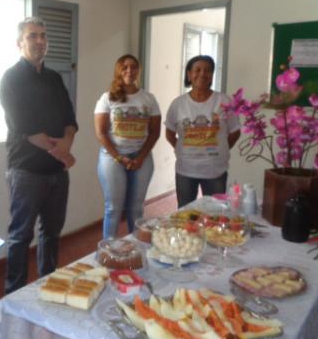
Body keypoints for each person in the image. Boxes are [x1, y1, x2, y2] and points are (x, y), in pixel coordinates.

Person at [0, 16, 78, 294]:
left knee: (51, 234)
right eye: (33, 36)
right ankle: (15, 297)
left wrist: (66, 143)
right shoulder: (11, 79)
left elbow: (70, 118)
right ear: (20, 42)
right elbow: (25, 128)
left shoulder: (55, 78)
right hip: (26, 171)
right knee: (20, 236)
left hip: (57, 172)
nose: (40, 41)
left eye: (43, 36)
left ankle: (49, 286)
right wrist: (63, 154)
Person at [94, 54, 161, 238]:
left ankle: (136, 249)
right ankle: (108, 251)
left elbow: (154, 132)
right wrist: (118, 157)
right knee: (113, 208)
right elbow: (101, 133)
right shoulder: (107, 98)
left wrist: (140, 157)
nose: (129, 70)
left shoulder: (148, 98)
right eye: (124, 67)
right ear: (118, 71)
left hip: (142, 156)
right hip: (112, 157)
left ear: (138, 70)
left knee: (136, 208)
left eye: (133, 67)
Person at [165, 55, 241, 207]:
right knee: (185, 214)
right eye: (197, 70)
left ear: (212, 75)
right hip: (186, 169)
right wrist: (181, 149)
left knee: (215, 213)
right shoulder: (178, 104)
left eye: (207, 70)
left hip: (215, 170)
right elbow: (170, 132)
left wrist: (221, 148)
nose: (202, 74)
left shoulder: (224, 101)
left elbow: (235, 131)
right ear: (189, 74)